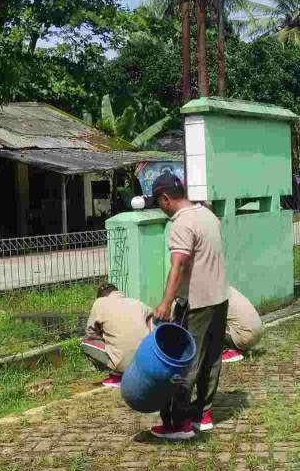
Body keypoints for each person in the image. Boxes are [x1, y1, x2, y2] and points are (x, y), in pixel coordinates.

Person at [150, 174, 229, 440]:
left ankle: (178, 424)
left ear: (166, 198)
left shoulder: (182, 224)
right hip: (219, 298)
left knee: (183, 363)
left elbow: (179, 265)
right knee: (212, 358)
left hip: (196, 304)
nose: (160, 207)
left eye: (159, 202)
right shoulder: (207, 215)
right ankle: (202, 413)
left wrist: (166, 302)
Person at [82, 284, 152, 388]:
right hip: (145, 360)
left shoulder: (100, 303)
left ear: (101, 296)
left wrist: (105, 337)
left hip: (121, 363)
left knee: (86, 341)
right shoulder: (136, 302)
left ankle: (117, 376)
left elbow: (90, 332)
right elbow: (154, 315)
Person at [222, 286, 264, 363]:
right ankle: (243, 346)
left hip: (245, 338)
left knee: (210, 328)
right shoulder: (230, 289)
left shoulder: (218, 296)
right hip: (259, 334)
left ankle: (230, 352)